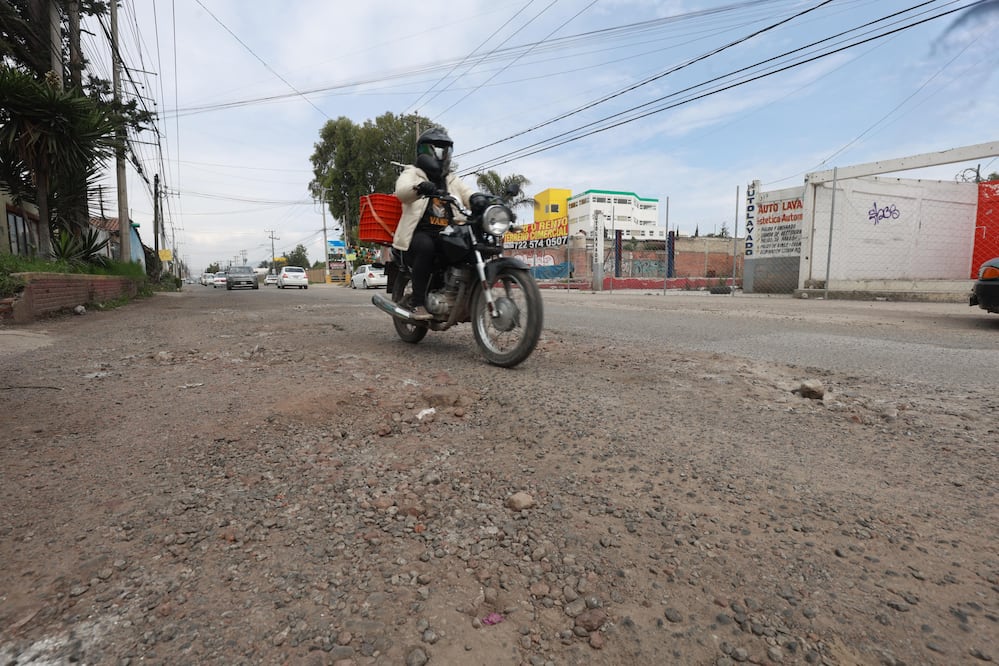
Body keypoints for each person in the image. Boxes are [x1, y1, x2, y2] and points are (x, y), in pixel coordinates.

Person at [393, 127, 474, 320]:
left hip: (447, 233)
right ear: (426, 151)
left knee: (472, 244)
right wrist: (419, 188)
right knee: (426, 246)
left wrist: (481, 199)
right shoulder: (412, 172)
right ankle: (418, 303)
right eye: (438, 149)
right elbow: (401, 192)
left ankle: (464, 296)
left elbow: (468, 194)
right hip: (418, 234)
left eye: (446, 150)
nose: (443, 154)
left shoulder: (451, 180)